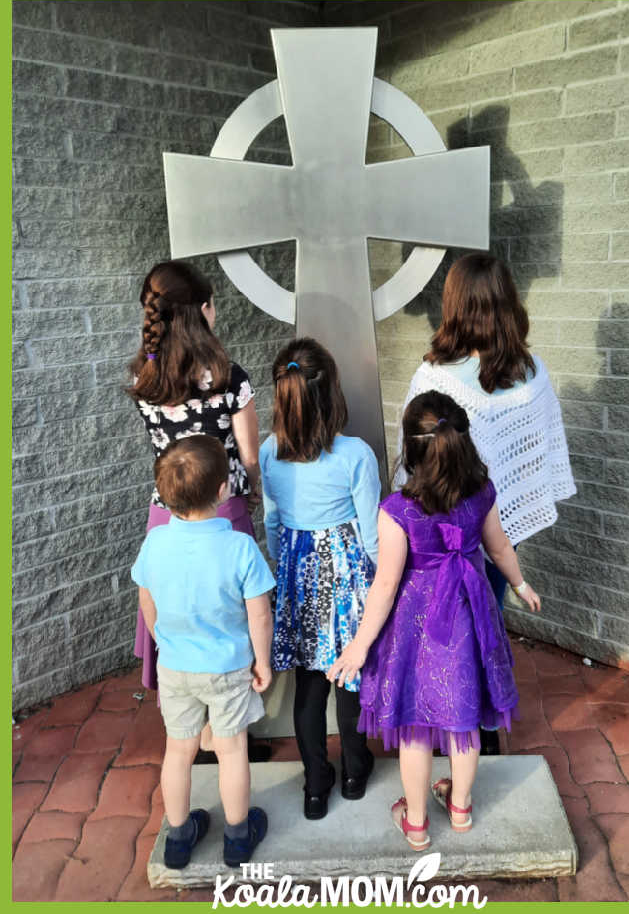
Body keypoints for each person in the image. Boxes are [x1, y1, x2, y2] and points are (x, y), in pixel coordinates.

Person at [327, 391, 540, 852]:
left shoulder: (396, 510)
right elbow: (500, 546)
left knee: (415, 726)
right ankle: (460, 807)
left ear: (412, 448)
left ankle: (418, 821)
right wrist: (520, 585)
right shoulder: (481, 493)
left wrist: (360, 646)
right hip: (469, 614)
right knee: (464, 720)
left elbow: (385, 587)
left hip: (416, 628)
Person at [396, 253, 575, 753]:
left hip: (440, 538)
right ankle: (485, 735)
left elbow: (410, 460)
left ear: (454, 306)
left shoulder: (433, 376)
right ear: (507, 302)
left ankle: (447, 730)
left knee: (443, 636)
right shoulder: (533, 373)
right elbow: (536, 449)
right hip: (498, 533)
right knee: (487, 625)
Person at [131, 435, 275, 868]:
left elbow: (146, 601)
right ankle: (236, 835)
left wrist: (162, 642)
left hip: (175, 666)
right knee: (232, 750)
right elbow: (260, 615)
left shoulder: (155, 542)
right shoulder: (238, 547)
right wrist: (262, 661)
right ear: (222, 490)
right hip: (229, 667)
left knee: (179, 750)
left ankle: (178, 837)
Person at [128, 260, 261, 712]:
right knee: (228, 609)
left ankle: (186, 715)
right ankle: (229, 719)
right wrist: (254, 491)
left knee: (175, 608)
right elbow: (250, 456)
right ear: (203, 311)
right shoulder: (229, 378)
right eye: (213, 305)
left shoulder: (144, 377)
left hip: (166, 511)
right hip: (221, 508)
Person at [259, 337, 379, 821]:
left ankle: (314, 784)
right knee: (349, 677)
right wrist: (377, 588)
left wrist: (283, 568)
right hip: (346, 575)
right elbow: (372, 536)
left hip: (296, 571)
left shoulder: (269, 452)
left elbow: (271, 522)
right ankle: (353, 772)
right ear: (332, 395)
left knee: (308, 685)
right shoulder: (355, 455)